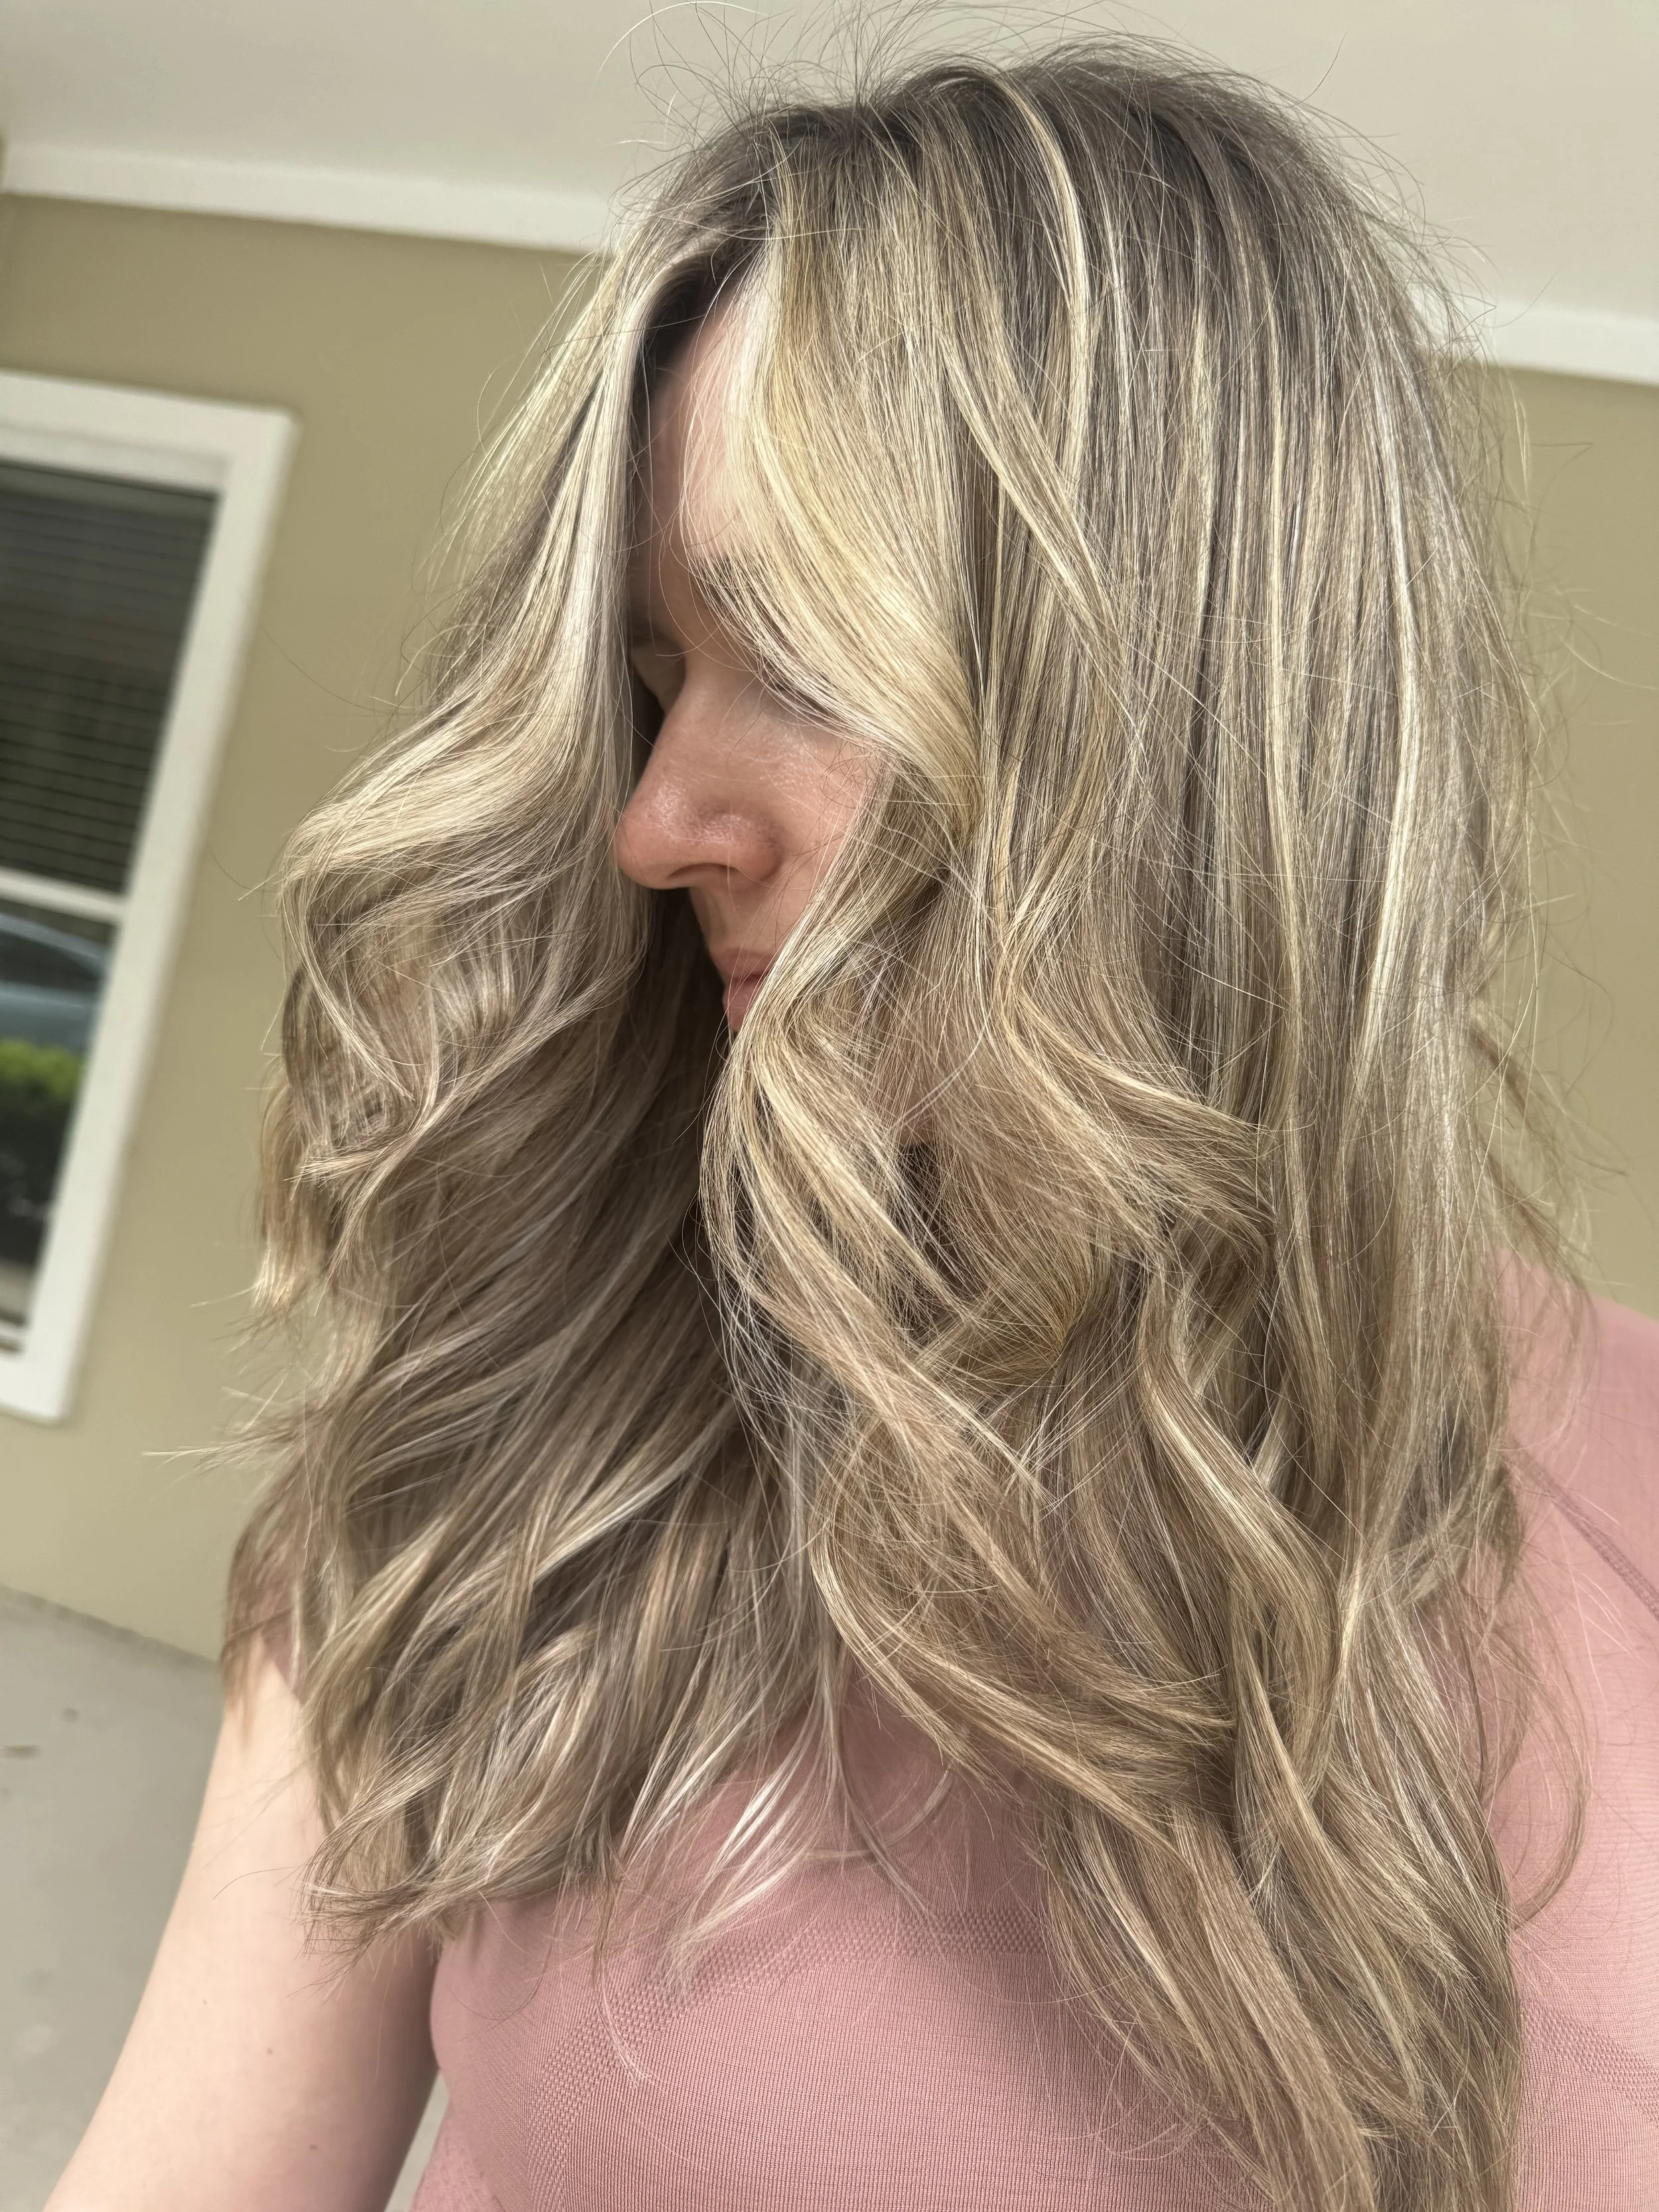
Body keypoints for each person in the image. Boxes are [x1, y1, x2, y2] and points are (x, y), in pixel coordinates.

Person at [46, 38, 1658, 2212]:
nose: (648, 818)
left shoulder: (1621, 1475)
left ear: (1198, 721)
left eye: (791, 652)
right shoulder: (521, 1447)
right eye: (649, 674)